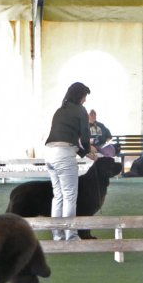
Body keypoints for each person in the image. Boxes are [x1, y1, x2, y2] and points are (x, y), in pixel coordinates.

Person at [44, 82, 97, 241]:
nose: (85, 100)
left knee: (58, 196)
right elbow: (85, 136)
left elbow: (64, 138)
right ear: (79, 96)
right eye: (85, 96)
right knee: (69, 196)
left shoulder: (60, 110)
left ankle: (57, 235)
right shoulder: (80, 110)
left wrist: (84, 153)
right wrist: (88, 150)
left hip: (49, 154)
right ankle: (71, 235)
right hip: (64, 156)